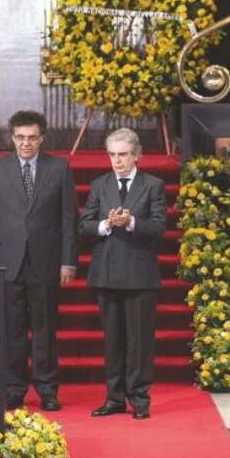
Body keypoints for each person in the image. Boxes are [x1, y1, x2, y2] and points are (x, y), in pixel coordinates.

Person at [0, 110, 77, 412]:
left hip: (46, 262)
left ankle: (47, 389)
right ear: (12, 137)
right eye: (20, 137)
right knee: (12, 331)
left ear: (41, 139)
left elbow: (68, 217)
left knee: (45, 331)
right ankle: (14, 389)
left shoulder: (59, 168)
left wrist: (68, 261)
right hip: (7, 262)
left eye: (32, 138)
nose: (25, 143)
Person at [79, 127, 166, 420]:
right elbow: (84, 225)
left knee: (139, 342)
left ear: (136, 155)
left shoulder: (153, 185)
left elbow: (159, 227)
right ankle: (114, 398)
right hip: (106, 272)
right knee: (112, 340)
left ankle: (139, 399)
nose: (117, 161)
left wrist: (130, 222)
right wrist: (106, 224)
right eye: (113, 155)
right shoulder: (99, 185)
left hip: (140, 274)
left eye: (123, 155)